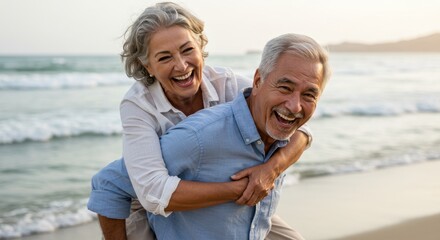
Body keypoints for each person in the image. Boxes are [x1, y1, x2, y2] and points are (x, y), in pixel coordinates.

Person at [88, 2, 312, 240]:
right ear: (148, 66)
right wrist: (241, 189)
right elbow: (152, 192)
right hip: (147, 201)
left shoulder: (229, 85)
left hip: (217, 189)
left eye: (187, 50)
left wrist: (269, 171)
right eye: (165, 57)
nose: (181, 65)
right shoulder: (138, 105)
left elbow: (299, 129)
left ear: (200, 45)